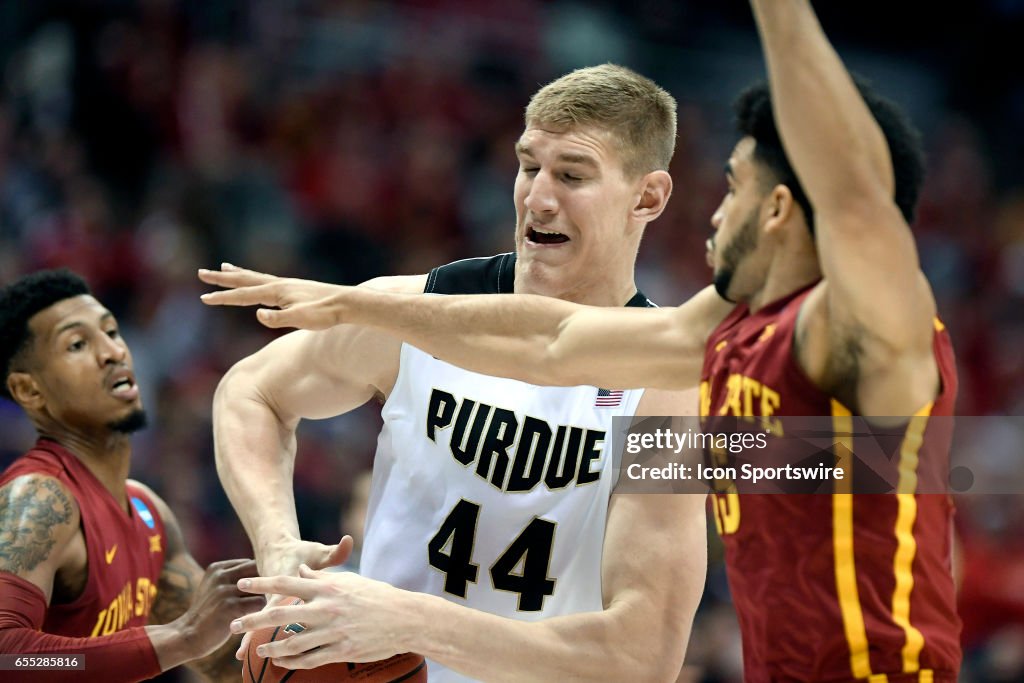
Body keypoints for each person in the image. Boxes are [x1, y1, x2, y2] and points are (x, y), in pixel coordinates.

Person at [200, 2, 962, 681]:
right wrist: (361, 307)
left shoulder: (858, 330)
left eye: (732, 186)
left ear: (783, 209)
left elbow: (640, 656)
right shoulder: (713, 338)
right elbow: (555, 341)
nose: (714, 209)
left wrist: (781, 12)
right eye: (528, 166)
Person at [200, 64, 708, 682]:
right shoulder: (421, 310)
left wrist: (412, 622)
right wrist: (277, 543)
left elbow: (641, 657)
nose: (538, 197)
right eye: (528, 166)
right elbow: (249, 390)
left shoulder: (664, 384)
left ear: (647, 197)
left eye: (573, 175)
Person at [0, 269, 264, 683]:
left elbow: (228, 659)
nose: (112, 352)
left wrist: (328, 611)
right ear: (30, 391)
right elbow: (7, 659)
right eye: (77, 344)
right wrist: (185, 636)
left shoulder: (146, 509)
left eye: (111, 331)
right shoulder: (38, 498)